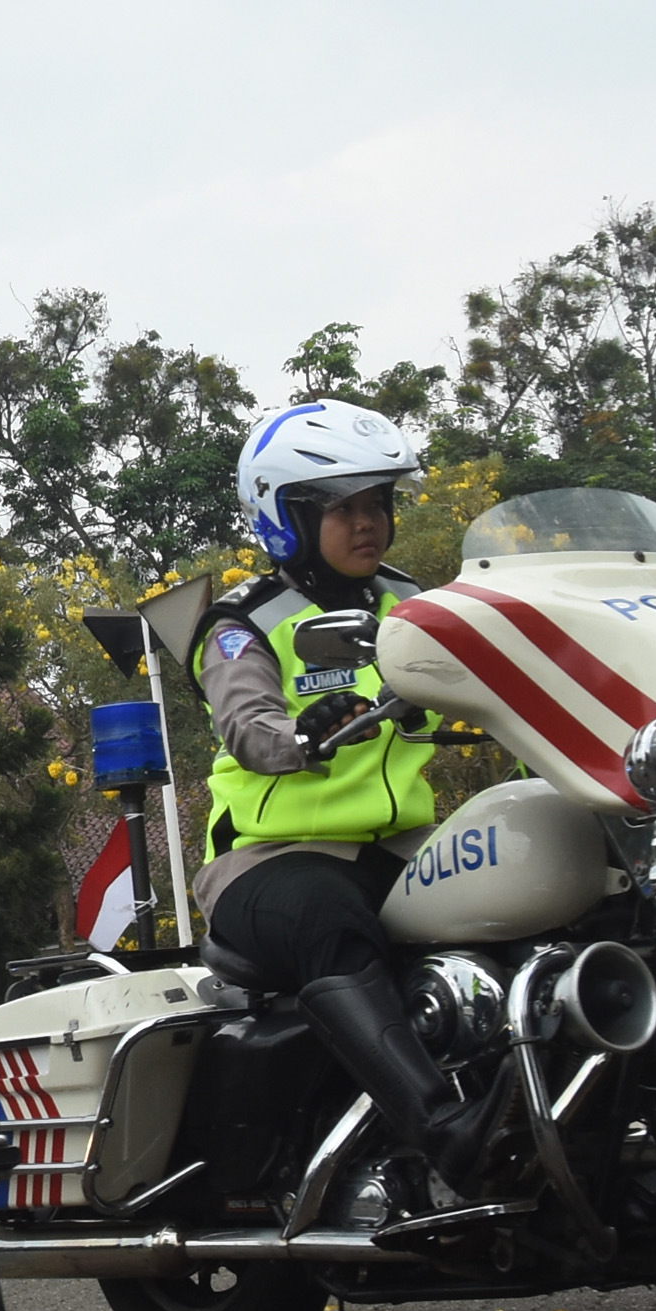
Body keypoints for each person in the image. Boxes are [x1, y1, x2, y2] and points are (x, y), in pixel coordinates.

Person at [192, 398, 494, 1199]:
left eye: (378, 505)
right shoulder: (242, 623)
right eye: (343, 507)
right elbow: (248, 725)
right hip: (271, 862)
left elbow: (503, 669)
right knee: (331, 919)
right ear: (287, 515)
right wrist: (308, 730)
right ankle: (443, 1130)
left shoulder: (414, 604)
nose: (368, 523)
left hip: (398, 855)